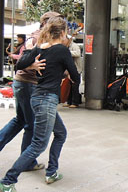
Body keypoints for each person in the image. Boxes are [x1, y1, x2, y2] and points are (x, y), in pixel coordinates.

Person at [0, 16, 80, 192]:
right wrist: (66, 73)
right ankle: (8, 181)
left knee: (60, 133)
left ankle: (51, 171)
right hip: (47, 99)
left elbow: (19, 63)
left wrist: (33, 64)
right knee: (38, 144)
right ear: (63, 32)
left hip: (37, 97)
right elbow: (76, 76)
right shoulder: (62, 50)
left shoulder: (39, 48)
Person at [0, 12, 62, 175]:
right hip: (30, 85)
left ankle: (26, 159)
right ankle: (27, 162)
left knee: (20, 120)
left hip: (22, 84)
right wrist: (32, 66)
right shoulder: (38, 38)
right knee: (30, 125)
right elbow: (22, 63)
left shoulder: (36, 36)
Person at [62, 37, 82, 108]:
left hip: (76, 68)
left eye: (63, 40)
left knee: (75, 85)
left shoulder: (74, 46)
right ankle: (69, 101)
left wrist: (67, 53)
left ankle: (75, 102)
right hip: (69, 69)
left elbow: (78, 53)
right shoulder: (66, 47)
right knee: (69, 86)